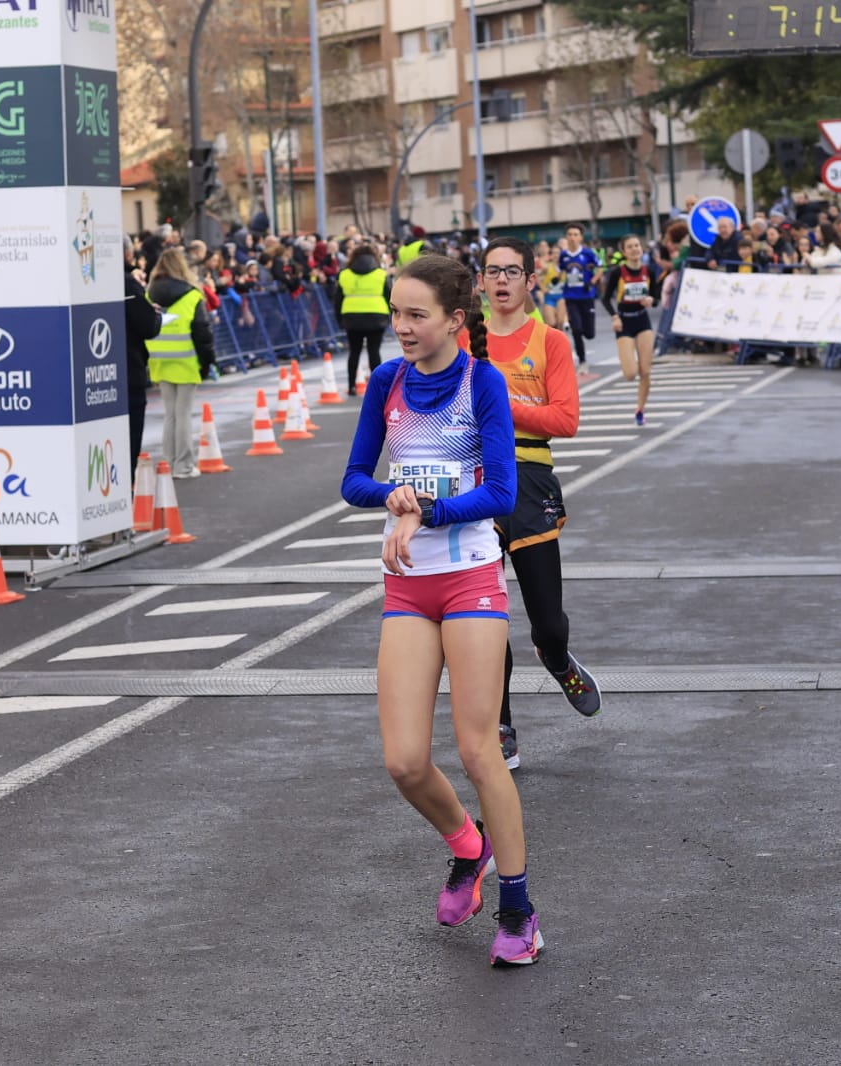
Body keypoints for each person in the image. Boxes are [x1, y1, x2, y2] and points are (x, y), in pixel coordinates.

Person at [339, 253, 543, 967]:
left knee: (480, 750)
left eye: (416, 315)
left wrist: (429, 509)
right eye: (397, 313)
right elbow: (354, 480)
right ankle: (469, 847)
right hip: (408, 585)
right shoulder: (387, 382)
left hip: (469, 578)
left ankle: (519, 910)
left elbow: (503, 494)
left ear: (457, 320)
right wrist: (389, 496)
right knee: (403, 761)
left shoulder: (481, 383)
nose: (401, 327)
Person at [462, 237, 601, 771]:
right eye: (493, 271)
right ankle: (501, 724)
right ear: (480, 280)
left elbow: (565, 420)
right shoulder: (464, 341)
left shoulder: (551, 341)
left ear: (528, 281)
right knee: (485, 616)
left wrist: (500, 399)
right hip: (474, 482)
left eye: (512, 272)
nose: (501, 281)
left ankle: (557, 657)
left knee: (547, 617)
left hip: (531, 480)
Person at [145, 248, 215, 479]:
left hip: (159, 360)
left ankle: (169, 462)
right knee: (183, 414)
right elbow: (202, 332)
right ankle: (183, 466)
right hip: (186, 360)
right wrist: (207, 362)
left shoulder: (148, 294)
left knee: (171, 415)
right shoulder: (192, 295)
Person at [599, 235, 662, 425]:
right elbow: (605, 298)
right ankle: (629, 359)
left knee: (646, 371)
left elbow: (656, 297)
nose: (635, 249)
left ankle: (640, 410)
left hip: (643, 321)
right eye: (630, 247)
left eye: (637, 245)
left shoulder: (649, 270)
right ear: (624, 252)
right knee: (630, 373)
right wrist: (614, 316)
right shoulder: (618, 272)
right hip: (624, 322)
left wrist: (652, 300)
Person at [123, 236, 162, 463]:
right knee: (130, 438)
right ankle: (126, 489)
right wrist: (154, 316)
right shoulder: (127, 283)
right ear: (128, 254)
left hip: (105, 371)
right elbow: (147, 325)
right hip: (130, 367)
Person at [336, 242, 391, 394]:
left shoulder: (344, 274)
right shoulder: (381, 274)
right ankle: (377, 388)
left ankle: (351, 386)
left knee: (354, 352)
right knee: (374, 352)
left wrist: (339, 320)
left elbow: (337, 300)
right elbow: (389, 296)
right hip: (376, 315)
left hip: (351, 317)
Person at [558, 223, 600, 368]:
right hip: (571, 296)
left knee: (589, 334)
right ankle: (582, 360)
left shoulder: (588, 253)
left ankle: (586, 334)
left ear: (581, 237)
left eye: (575, 235)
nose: (572, 238)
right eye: (569, 235)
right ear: (566, 237)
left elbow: (600, 268)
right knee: (576, 329)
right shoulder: (563, 256)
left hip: (587, 296)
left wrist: (592, 281)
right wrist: (557, 280)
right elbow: (561, 272)